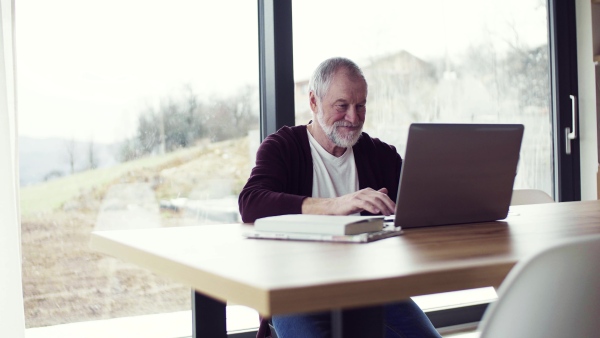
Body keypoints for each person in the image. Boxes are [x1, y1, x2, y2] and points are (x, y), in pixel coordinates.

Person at [238, 57, 441, 338]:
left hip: (369, 287)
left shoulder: (379, 154)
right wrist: (337, 204)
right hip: (295, 290)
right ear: (314, 102)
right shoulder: (282, 147)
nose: (354, 118)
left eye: (361, 106)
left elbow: (423, 198)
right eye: (341, 106)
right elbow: (252, 203)